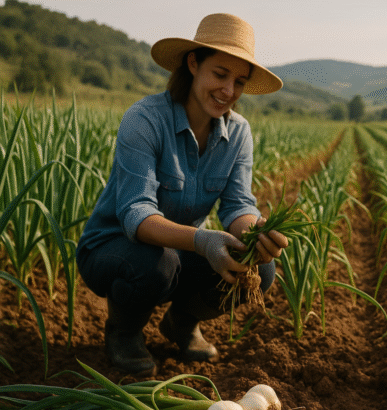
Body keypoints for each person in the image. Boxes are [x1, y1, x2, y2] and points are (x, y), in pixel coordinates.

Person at [76, 13, 288, 376]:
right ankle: (124, 331)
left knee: (260, 268)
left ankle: (182, 322)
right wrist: (203, 241)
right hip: (113, 248)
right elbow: (137, 213)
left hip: (179, 251)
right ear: (193, 64)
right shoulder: (145, 120)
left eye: (239, 81)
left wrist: (256, 234)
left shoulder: (238, 133)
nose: (228, 91)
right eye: (220, 74)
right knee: (157, 263)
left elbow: (238, 204)